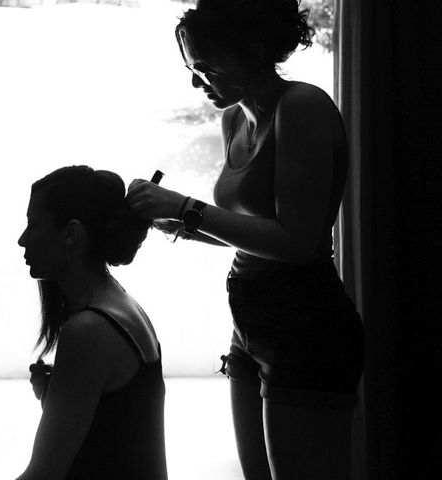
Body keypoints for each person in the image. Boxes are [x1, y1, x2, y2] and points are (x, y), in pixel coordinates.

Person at [126, 1, 364, 479]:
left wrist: (189, 209)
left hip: (305, 326)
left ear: (252, 52)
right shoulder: (233, 120)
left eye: (208, 67)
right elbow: (256, 228)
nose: (198, 82)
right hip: (250, 324)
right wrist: (187, 226)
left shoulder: (303, 107)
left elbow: (296, 243)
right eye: (193, 68)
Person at [15, 165, 168, 480]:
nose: (22, 239)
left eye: (33, 224)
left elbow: (42, 476)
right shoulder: (121, 305)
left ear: (71, 233)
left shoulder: (89, 331)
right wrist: (55, 398)